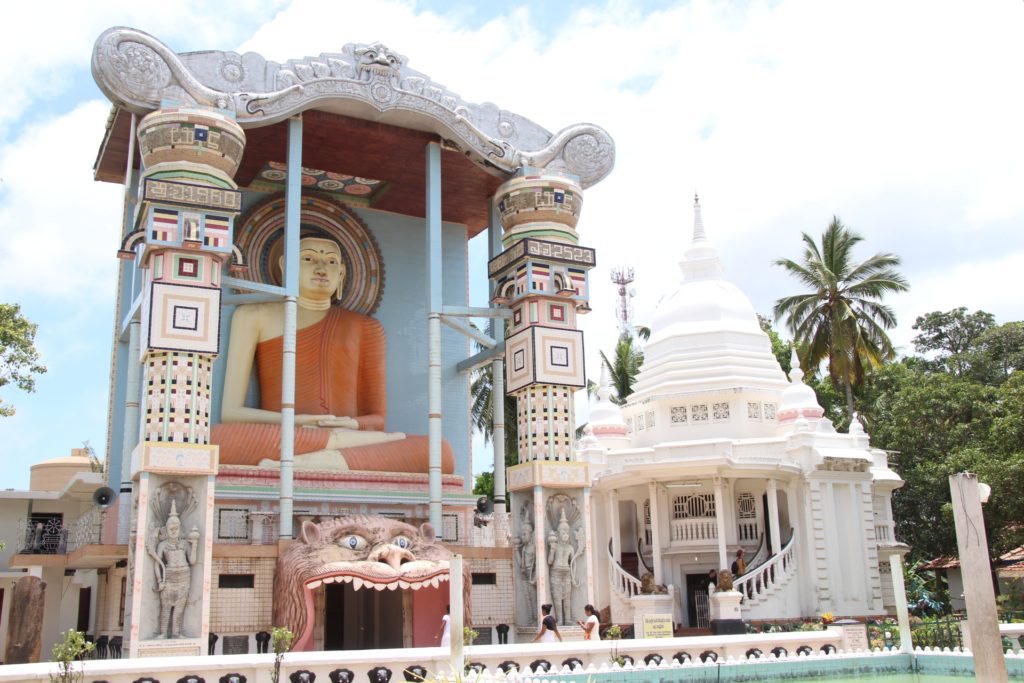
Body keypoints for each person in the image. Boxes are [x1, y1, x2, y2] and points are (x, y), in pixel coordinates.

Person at [212, 236, 454, 473]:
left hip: (351, 435)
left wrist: (350, 424)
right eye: (308, 258)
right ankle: (332, 457)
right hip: (289, 435)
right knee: (218, 439)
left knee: (438, 451)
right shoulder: (253, 316)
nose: (321, 268)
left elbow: (377, 419)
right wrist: (300, 422)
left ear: (342, 274)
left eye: (331, 262)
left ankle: (308, 463)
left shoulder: (366, 327)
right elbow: (230, 412)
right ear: (286, 266)